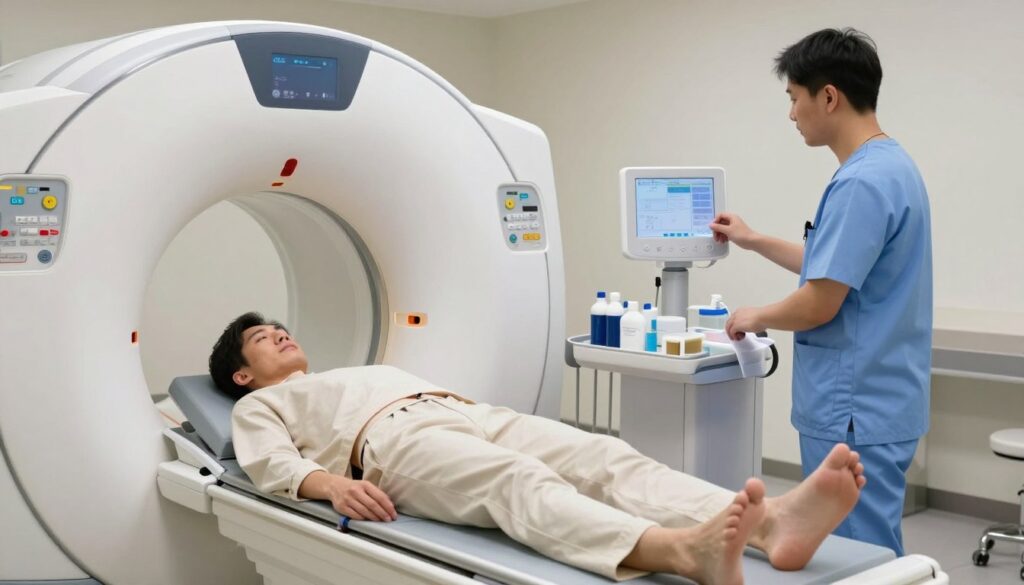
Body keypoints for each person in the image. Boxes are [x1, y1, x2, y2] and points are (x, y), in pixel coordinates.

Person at [211, 312, 867, 584]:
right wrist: (328, 486)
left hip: (466, 411)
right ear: (241, 374)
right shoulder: (260, 405)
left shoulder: (358, 367)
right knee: (516, 480)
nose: (279, 333)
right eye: (263, 338)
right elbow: (271, 462)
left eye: (280, 326)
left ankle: (773, 524)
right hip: (389, 445)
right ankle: (678, 550)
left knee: (605, 454)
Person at [709, 28, 932, 557]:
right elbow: (834, 268)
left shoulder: (860, 183)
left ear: (827, 96)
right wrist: (752, 238)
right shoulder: (892, 167)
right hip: (883, 396)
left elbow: (819, 301)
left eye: (794, 98)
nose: (791, 114)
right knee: (870, 544)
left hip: (853, 406)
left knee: (857, 555)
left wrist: (752, 315)